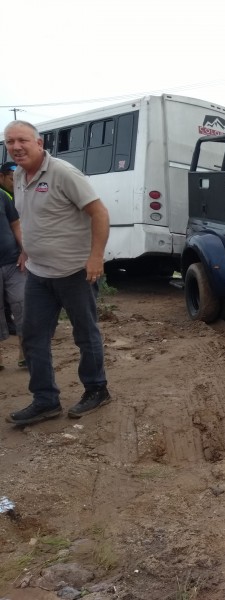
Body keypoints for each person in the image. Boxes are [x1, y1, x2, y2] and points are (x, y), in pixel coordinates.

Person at [4, 121, 112, 425]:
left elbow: (99, 212)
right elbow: (30, 218)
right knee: (33, 336)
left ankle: (96, 389)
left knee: (85, 334)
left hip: (75, 272)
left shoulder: (63, 173)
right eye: (10, 141)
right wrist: (27, 249)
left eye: (22, 140)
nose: (16, 146)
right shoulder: (17, 175)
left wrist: (96, 257)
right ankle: (45, 400)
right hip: (39, 274)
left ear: (39, 143)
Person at [0, 183, 25, 370]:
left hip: (12, 262)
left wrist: (24, 250)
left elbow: (15, 223)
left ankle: (26, 354)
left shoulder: (2, 195)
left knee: (23, 305)